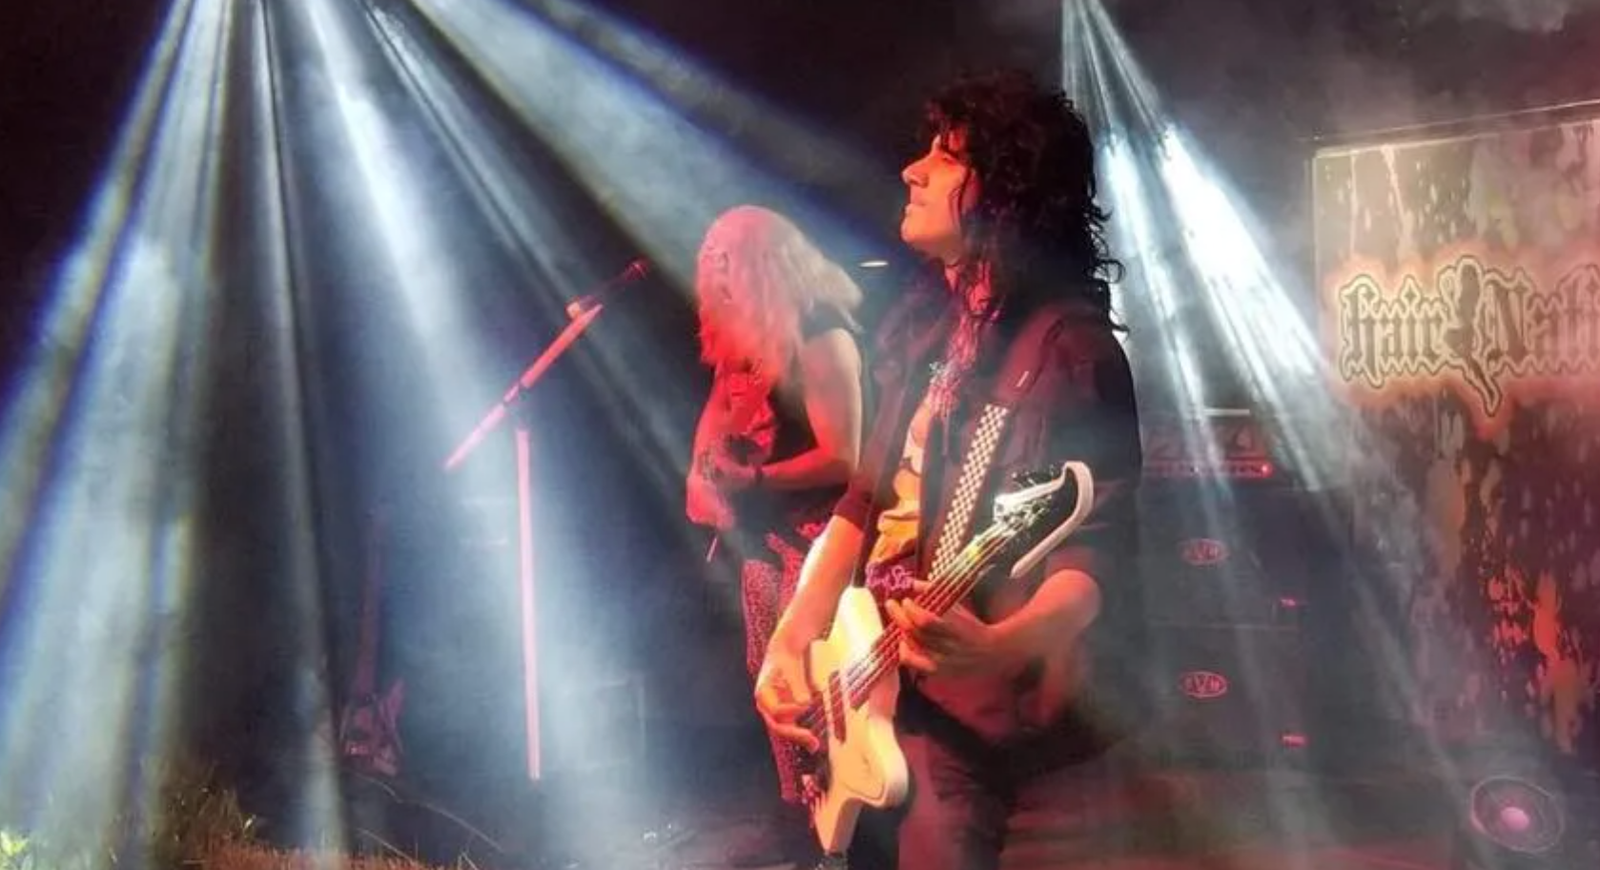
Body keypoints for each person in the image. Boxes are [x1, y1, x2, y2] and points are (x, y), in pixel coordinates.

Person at [754, 70, 1146, 870]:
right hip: (872, 681)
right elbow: (863, 503)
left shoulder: (1069, 352)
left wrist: (1002, 645)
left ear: (1005, 195)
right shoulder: (926, 329)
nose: (913, 169)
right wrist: (791, 640)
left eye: (947, 155)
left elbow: (1091, 554)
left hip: (970, 726)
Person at [684, 204, 867, 867]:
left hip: (822, 536)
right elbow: (716, 425)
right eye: (710, 263)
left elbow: (846, 456)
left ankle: (843, 823)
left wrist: (757, 481)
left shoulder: (820, 332)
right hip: (767, 541)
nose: (715, 275)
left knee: (815, 678)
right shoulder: (742, 342)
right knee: (771, 675)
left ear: (764, 266)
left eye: (728, 263)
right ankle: (799, 813)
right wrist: (704, 475)